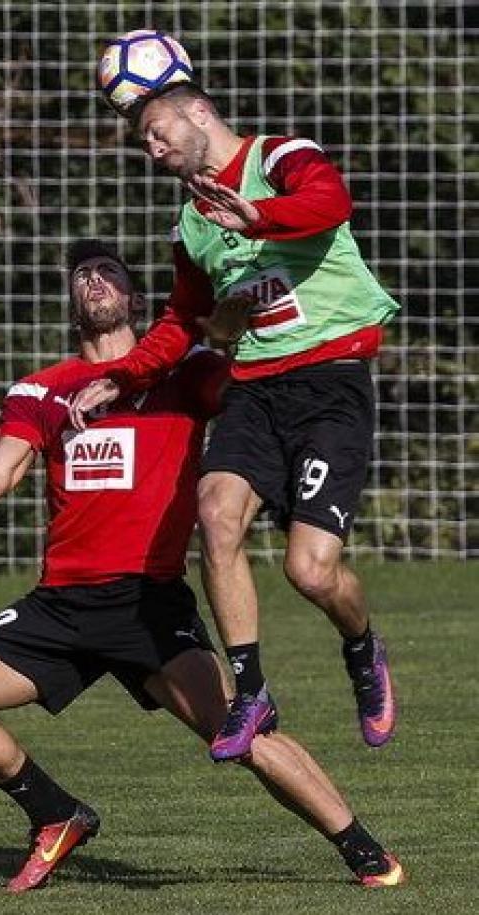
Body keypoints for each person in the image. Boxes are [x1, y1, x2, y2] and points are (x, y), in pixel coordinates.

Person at [0, 239, 404, 894]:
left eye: (109, 271)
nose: (94, 279)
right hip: (61, 604)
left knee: (245, 732)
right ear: (71, 304)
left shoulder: (184, 372)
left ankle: (366, 851)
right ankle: (55, 812)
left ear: (136, 299)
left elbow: (253, 407)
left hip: (148, 605)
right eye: (82, 274)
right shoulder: (42, 388)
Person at [69, 80, 400, 762]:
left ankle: (363, 647)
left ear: (198, 111)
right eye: (144, 141)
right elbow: (182, 320)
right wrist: (122, 374)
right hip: (254, 387)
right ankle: (251, 690)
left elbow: (330, 202)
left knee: (310, 573)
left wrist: (260, 218)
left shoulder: (279, 157)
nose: (153, 146)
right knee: (215, 513)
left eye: (159, 129)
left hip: (330, 383)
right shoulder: (190, 221)